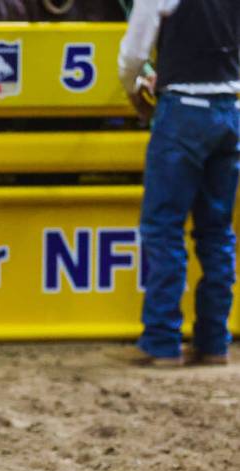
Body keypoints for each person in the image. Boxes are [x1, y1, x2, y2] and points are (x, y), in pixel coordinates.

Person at [118, 0, 239, 366]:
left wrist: (136, 84)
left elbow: (133, 55)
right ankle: (214, 341)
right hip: (230, 109)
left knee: (164, 228)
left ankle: (161, 341)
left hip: (182, 112)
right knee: (217, 231)